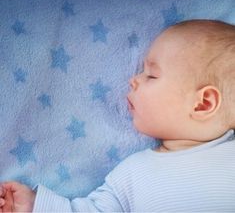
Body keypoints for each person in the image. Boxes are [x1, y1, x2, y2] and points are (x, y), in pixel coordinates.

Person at [1, 19, 235, 212]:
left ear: (203, 103)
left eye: (151, 75)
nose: (133, 80)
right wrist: (37, 206)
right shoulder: (132, 173)